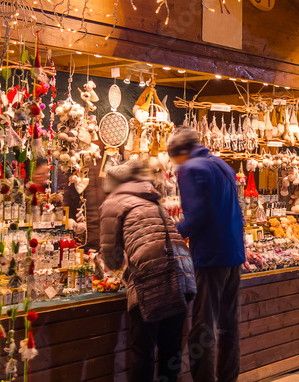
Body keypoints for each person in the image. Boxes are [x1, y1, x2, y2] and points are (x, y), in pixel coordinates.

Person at [100, 159, 195, 382]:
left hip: (152, 277)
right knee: (170, 348)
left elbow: (110, 254)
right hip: (184, 273)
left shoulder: (113, 203)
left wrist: (111, 270)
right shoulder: (153, 201)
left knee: (143, 349)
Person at [167, 127, 245, 382]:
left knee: (203, 327)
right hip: (233, 253)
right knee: (228, 325)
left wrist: (172, 232)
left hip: (211, 255)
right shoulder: (220, 164)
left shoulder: (191, 168)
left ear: (179, 153)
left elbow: (197, 216)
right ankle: (228, 377)